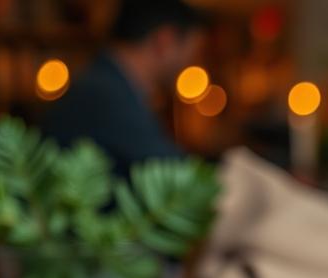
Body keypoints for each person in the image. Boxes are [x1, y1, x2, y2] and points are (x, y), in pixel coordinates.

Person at [41, 0, 206, 174]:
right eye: (192, 51)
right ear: (164, 41)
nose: (190, 63)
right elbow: (173, 172)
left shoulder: (107, 83)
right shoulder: (104, 95)